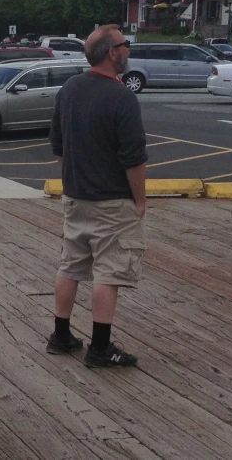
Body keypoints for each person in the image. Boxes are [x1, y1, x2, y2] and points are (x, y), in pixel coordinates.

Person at [47, 24, 147, 368]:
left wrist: (71, 178)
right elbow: (133, 158)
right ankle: (100, 348)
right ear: (112, 53)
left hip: (75, 197)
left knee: (70, 265)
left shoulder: (70, 88)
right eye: (125, 45)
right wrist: (140, 201)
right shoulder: (122, 97)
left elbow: (58, 145)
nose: (128, 51)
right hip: (112, 201)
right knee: (109, 273)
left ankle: (61, 336)